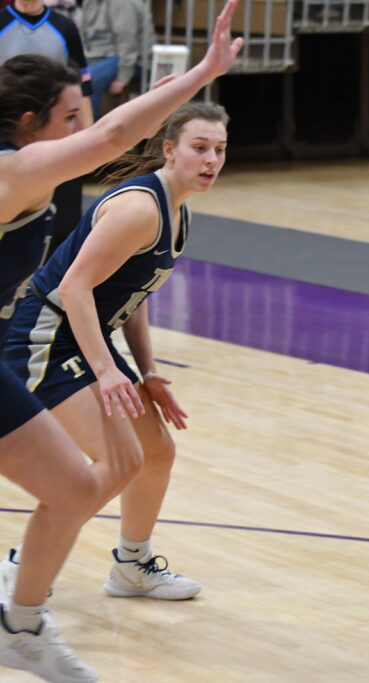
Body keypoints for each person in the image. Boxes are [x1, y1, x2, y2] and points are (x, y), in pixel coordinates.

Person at [0, 3, 242, 679]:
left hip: (40, 341)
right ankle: (26, 577)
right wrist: (205, 70)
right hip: (45, 336)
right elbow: (110, 141)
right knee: (107, 466)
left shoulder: (171, 215)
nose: (81, 128)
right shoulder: (24, 175)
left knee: (121, 464)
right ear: (30, 125)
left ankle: (41, 607)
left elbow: (124, 297)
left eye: (220, 149)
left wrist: (144, 369)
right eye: (69, 116)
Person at [1, 0, 95, 255]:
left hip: (56, 127)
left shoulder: (64, 27)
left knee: (65, 211)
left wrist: (87, 132)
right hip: (10, 130)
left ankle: (57, 273)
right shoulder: (2, 22)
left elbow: (83, 85)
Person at [81, 0, 156, 117]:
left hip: (132, 61)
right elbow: (84, 36)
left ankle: (88, 130)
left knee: (89, 79)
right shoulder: (89, 2)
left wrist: (123, 77)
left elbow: (128, 42)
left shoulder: (122, 3)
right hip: (97, 57)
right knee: (66, 75)